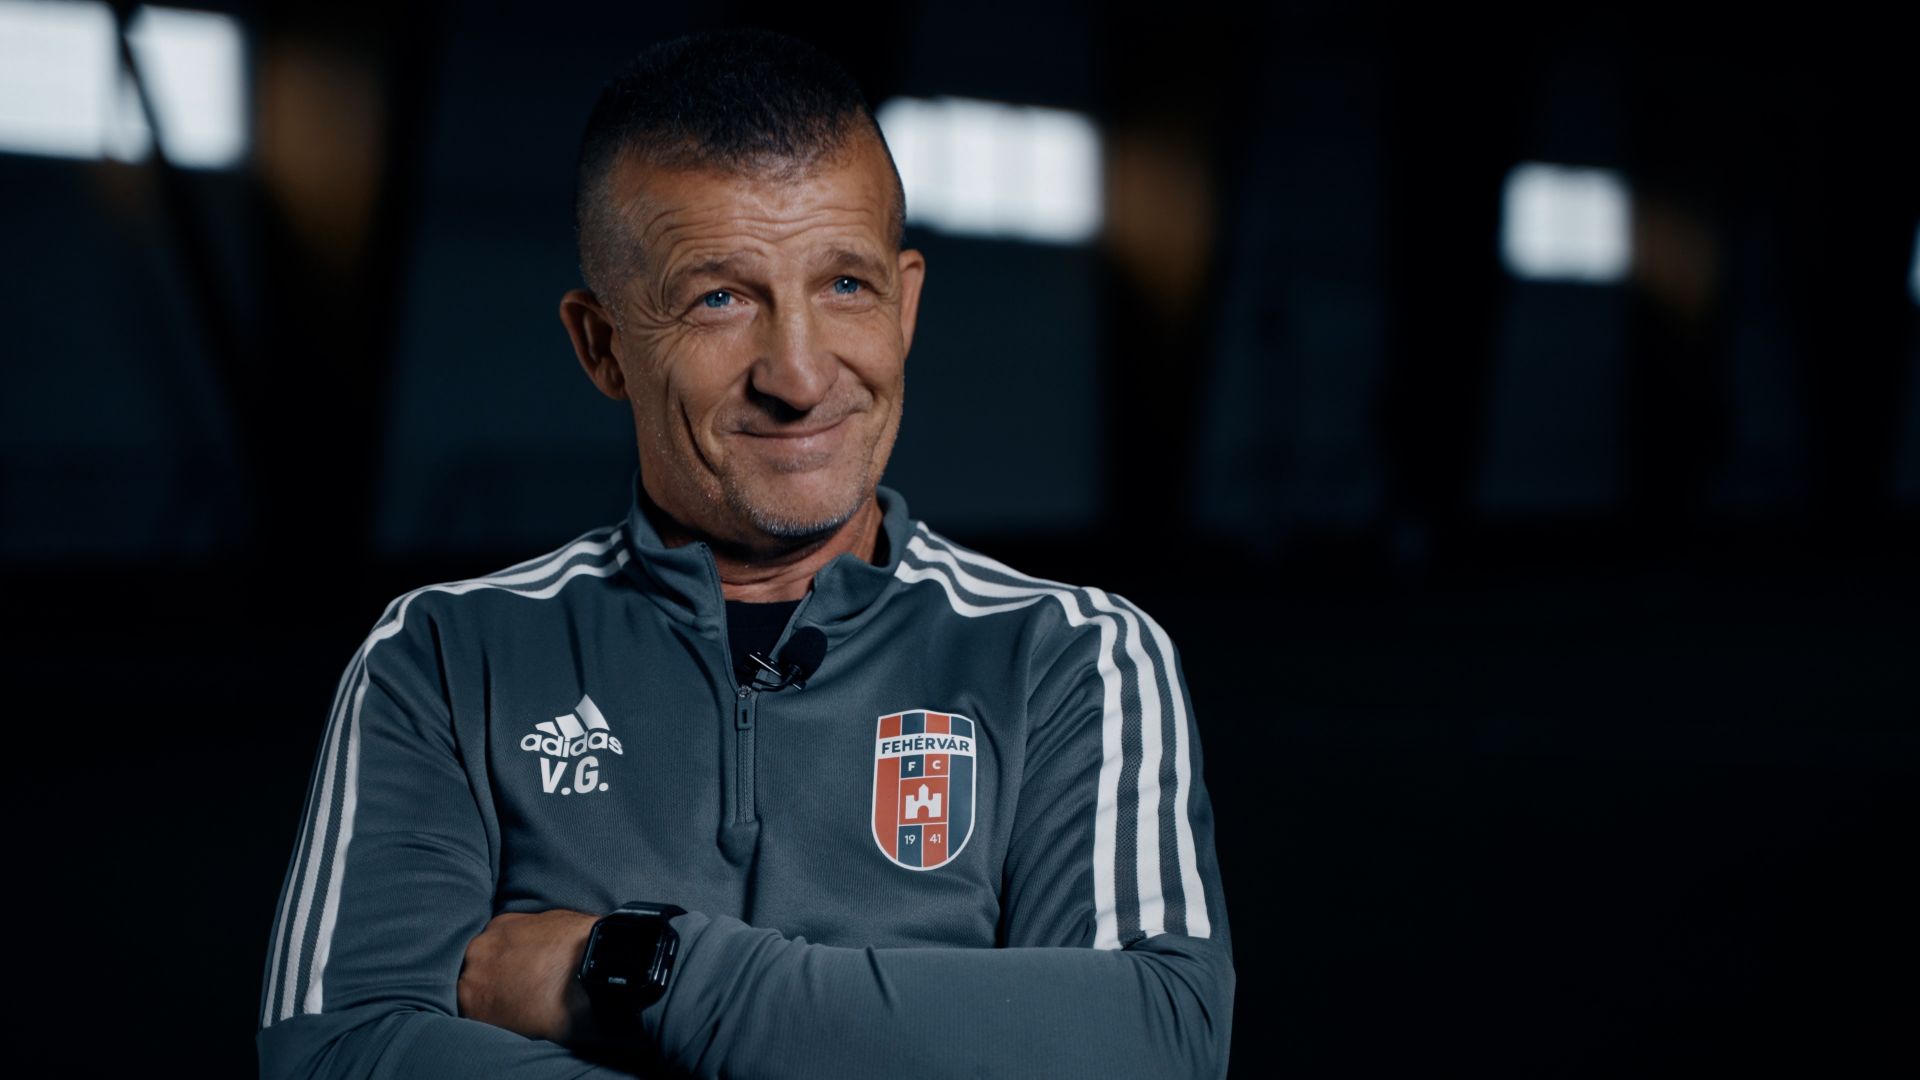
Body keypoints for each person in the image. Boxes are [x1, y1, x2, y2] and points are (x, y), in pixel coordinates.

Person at [257, 29, 1233, 1079]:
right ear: (602, 346)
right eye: (719, 298)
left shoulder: (1071, 656)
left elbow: (1153, 1042)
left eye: (846, 285)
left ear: (906, 304)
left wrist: (643, 969)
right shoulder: (446, 657)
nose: (800, 376)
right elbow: (339, 1049)